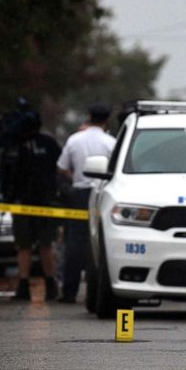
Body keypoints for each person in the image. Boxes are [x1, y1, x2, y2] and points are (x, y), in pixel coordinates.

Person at [0, 108, 63, 302]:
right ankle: (35, 286)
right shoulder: (40, 144)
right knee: (36, 245)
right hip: (35, 203)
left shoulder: (21, 145)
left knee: (34, 245)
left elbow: (5, 176)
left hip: (33, 203)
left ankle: (39, 286)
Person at [56, 104, 116, 304]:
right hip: (102, 194)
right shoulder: (111, 142)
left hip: (79, 194)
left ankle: (69, 292)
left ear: (89, 117)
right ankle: (100, 291)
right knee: (101, 243)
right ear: (106, 120)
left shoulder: (74, 140)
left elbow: (62, 167)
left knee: (74, 244)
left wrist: (74, 177)